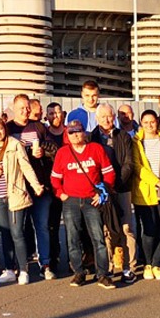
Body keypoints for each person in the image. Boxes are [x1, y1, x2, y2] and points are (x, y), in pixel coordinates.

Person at [51, 119, 116, 288]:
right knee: (73, 238)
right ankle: (79, 272)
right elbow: (55, 178)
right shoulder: (63, 152)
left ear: (84, 133)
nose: (75, 135)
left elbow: (109, 173)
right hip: (71, 201)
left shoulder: (96, 149)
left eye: (78, 131)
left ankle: (102, 274)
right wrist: (60, 193)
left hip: (91, 200)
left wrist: (102, 192)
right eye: (71, 132)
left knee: (98, 238)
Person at [0, 119, 46, 285]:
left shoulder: (14, 144)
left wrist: (35, 185)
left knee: (17, 233)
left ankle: (23, 270)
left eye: (0, 129)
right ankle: (9, 269)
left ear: (5, 129)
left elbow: (25, 166)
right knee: (5, 233)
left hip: (15, 195)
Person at [6, 94, 55, 279]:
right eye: (21, 108)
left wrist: (42, 151)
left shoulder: (39, 127)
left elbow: (53, 148)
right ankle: (20, 265)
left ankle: (45, 264)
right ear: (13, 108)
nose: (25, 111)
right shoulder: (8, 128)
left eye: (28, 107)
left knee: (42, 226)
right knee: (18, 230)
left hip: (39, 185)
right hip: (18, 187)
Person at [90, 103, 136, 283]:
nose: (107, 120)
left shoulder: (123, 136)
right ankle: (107, 267)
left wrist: (116, 184)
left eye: (110, 116)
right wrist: (104, 187)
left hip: (121, 187)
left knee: (126, 228)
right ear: (97, 119)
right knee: (105, 230)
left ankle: (129, 267)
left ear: (114, 117)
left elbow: (129, 163)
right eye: (103, 117)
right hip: (101, 190)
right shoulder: (91, 138)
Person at [131, 110, 160, 281]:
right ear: (141, 123)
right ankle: (147, 263)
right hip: (145, 190)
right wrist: (158, 182)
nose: (149, 125)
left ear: (157, 122)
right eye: (146, 122)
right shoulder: (136, 142)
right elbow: (138, 167)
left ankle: (156, 264)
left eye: (152, 122)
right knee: (149, 229)